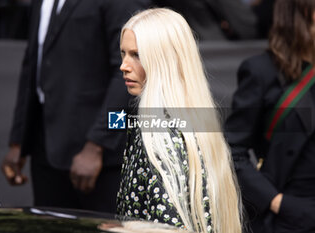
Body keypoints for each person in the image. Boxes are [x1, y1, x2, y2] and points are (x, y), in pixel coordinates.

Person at [1, 0, 151, 212]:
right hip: (45, 147)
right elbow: (33, 63)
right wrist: (19, 141)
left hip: (100, 158)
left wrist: (97, 145)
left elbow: (128, 73)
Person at [116, 8, 242, 233]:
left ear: (164, 60)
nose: (124, 65)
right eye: (123, 53)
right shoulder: (190, 120)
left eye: (136, 55)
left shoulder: (161, 133)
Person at [224, 0, 315, 232]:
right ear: (301, 16)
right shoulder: (261, 71)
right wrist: (276, 202)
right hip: (288, 216)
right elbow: (232, 152)